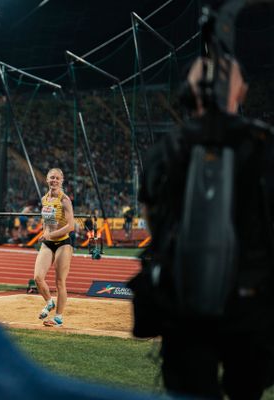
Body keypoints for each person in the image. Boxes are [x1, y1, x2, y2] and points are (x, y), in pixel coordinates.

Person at [136, 54, 274, 398]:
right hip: (251, 305)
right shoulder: (265, 144)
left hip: (183, 301)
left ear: (188, 93)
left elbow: (154, 220)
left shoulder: (165, 149)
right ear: (239, 93)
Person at [34, 168, 75, 327]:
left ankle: (58, 318)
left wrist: (51, 235)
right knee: (38, 277)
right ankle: (49, 302)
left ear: (62, 180)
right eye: (52, 178)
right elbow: (46, 222)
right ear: (47, 179)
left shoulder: (65, 200)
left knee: (60, 282)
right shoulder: (45, 199)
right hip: (48, 242)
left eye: (57, 178)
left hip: (63, 243)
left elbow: (71, 226)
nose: (54, 180)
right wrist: (44, 232)